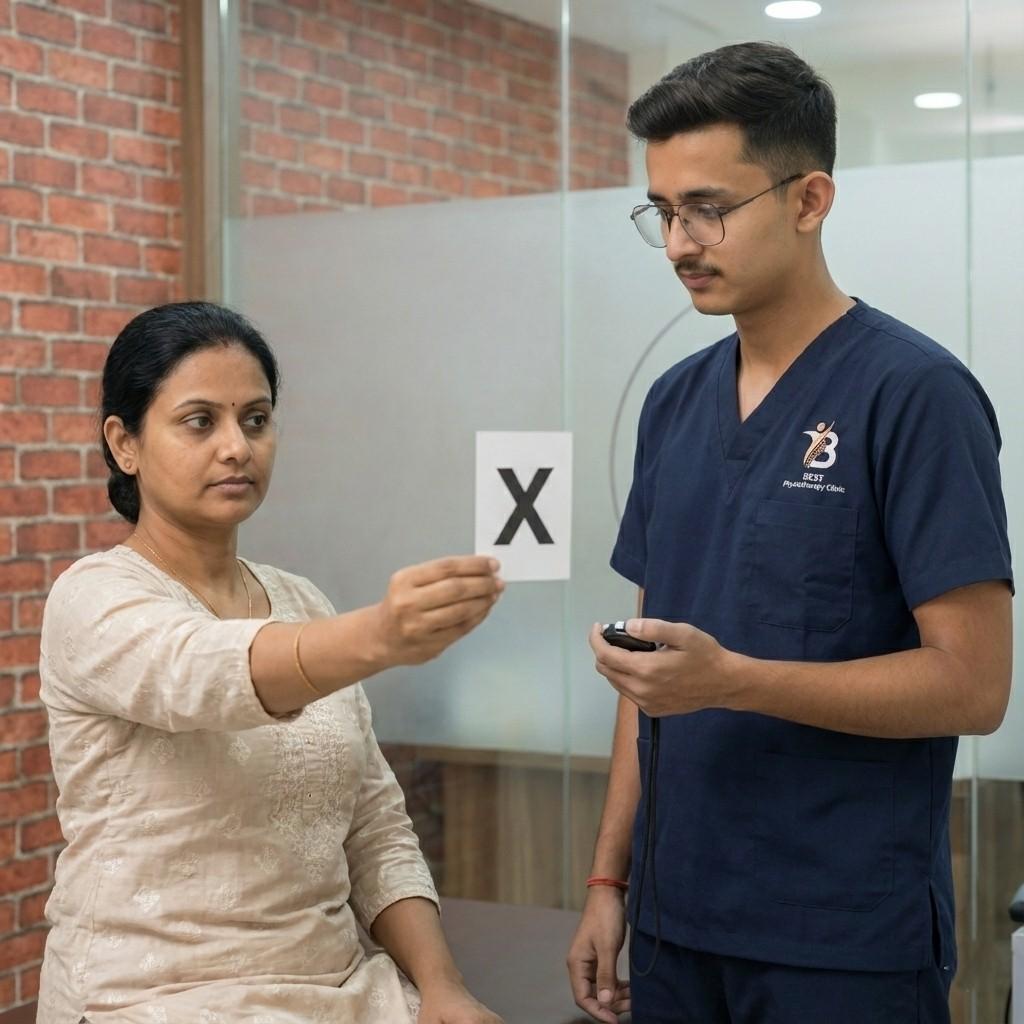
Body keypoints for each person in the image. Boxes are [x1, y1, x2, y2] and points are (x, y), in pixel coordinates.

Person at [567, 42, 1013, 1024]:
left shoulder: (912, 396)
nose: (681, 242)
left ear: (809, 200)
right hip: (677, 921)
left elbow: (974, 687)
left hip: (839, 938)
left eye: (710, 208)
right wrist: (608, 883)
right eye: (664, 212)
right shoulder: (674, 404)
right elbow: (650, 671)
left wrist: (733, 679)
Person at [38, 301, 506, 1024]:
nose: (237, 448)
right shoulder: (91, 600)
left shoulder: (301, 599)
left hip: (342, 988)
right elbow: (205, 669)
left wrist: (442, 988)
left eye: (255, 420)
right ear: (124, 443)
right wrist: (380, 635)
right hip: (150, 998)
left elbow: (374, 825)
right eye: (201, 422)